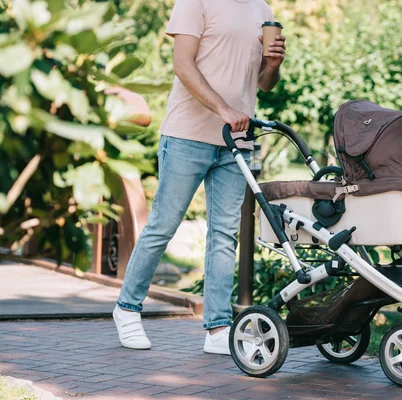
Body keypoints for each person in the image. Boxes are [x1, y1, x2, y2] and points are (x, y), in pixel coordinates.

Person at [113, 0, 286, 355]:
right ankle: (127, 309)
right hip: (186, 135)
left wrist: (272, 65)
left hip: (236, 141)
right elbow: (182, 65)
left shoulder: (264, 10)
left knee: (224, 235)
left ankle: (218, 327)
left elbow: (265, 85)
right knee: (163, 224)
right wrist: (224, 109)